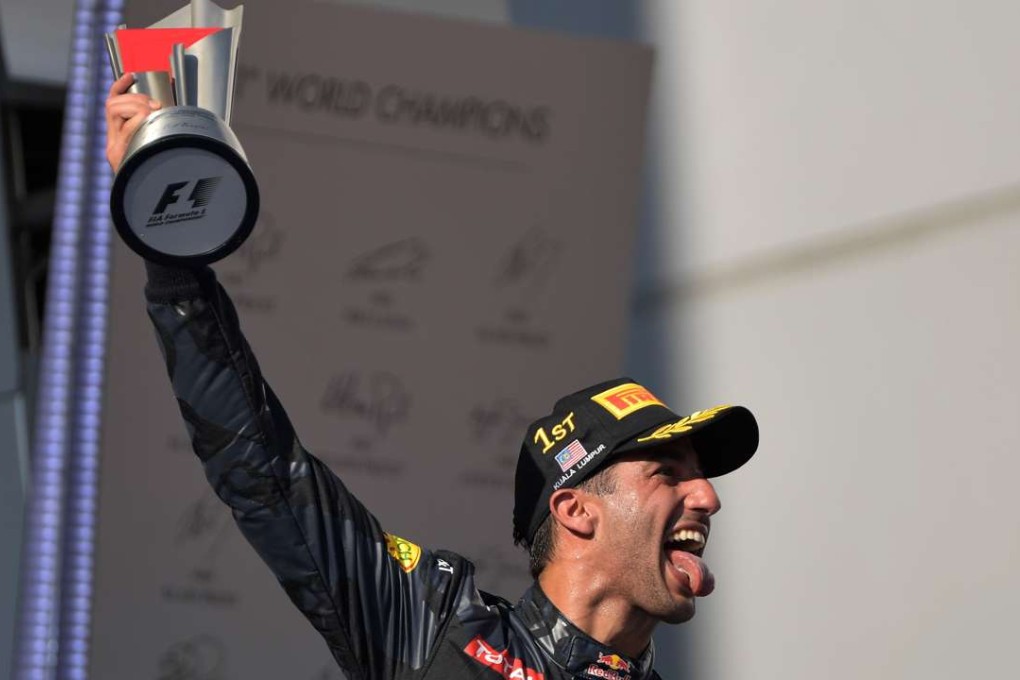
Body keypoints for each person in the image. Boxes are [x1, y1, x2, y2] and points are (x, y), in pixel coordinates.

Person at [105, 73, 760, 680]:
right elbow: (266, 475)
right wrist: (174, 257)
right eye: (666, 473)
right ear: (575, 510)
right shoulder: (435, 627)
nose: (707, 497)